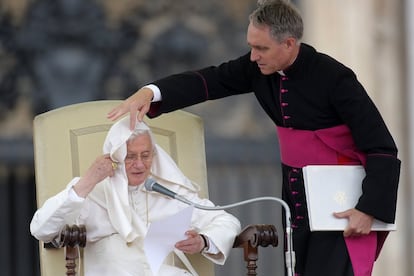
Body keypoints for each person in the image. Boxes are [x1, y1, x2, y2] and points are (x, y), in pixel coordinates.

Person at [107, 1, 401, 276]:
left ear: (289, 43)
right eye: (251, 46)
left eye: (261, 48)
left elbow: (382, 149)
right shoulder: (259, 69)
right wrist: (151, 92)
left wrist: (368, 209)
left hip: (340, 200)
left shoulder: (335, 78)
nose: (253, 56)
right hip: (296, 195)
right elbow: (211, 80)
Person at [30, 116, 241, 276]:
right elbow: (41, 229)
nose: (140, 165)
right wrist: (87, 181)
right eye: (130, 157)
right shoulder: (91, 192)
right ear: (115, 157)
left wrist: (204, 241)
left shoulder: (170, 193)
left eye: (146, 155)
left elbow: (226, 220)